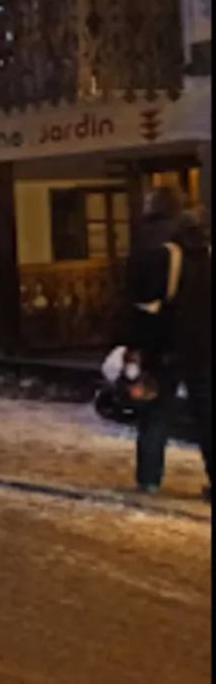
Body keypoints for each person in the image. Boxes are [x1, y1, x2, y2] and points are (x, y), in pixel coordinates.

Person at [123, 185, 212, 500]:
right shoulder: (201, 240)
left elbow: (144, 300)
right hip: (204, 341)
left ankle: (149, 480)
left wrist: (131, 344)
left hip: (164, 339)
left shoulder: (152, 242)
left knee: (156, 407)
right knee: (207, 409)